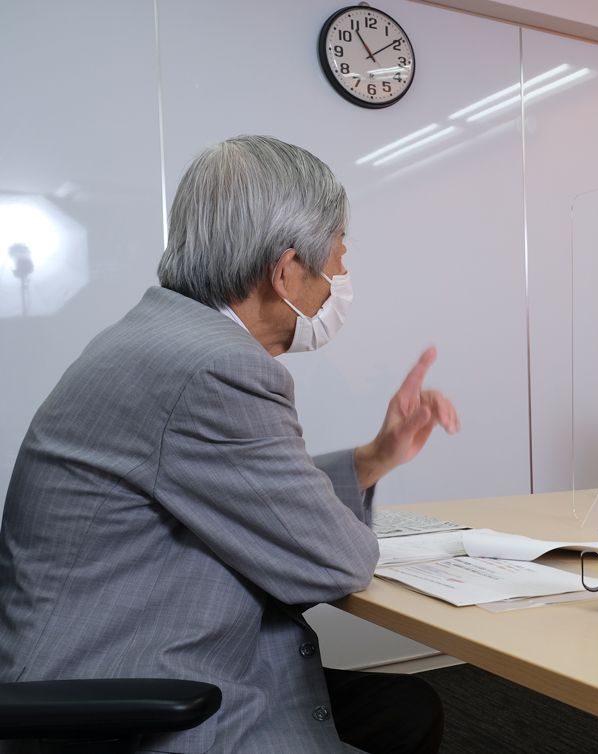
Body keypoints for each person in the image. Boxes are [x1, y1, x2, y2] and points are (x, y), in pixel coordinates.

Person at [0, 135, 455, 753]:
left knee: (405, 709)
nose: (341, 283)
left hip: (94, 660)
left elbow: (241, 492)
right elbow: (339, 562)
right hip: (128, 699)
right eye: (337, 261)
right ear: (286, 271)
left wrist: (375, 457)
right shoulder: (216, 368)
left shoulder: (155, 336)